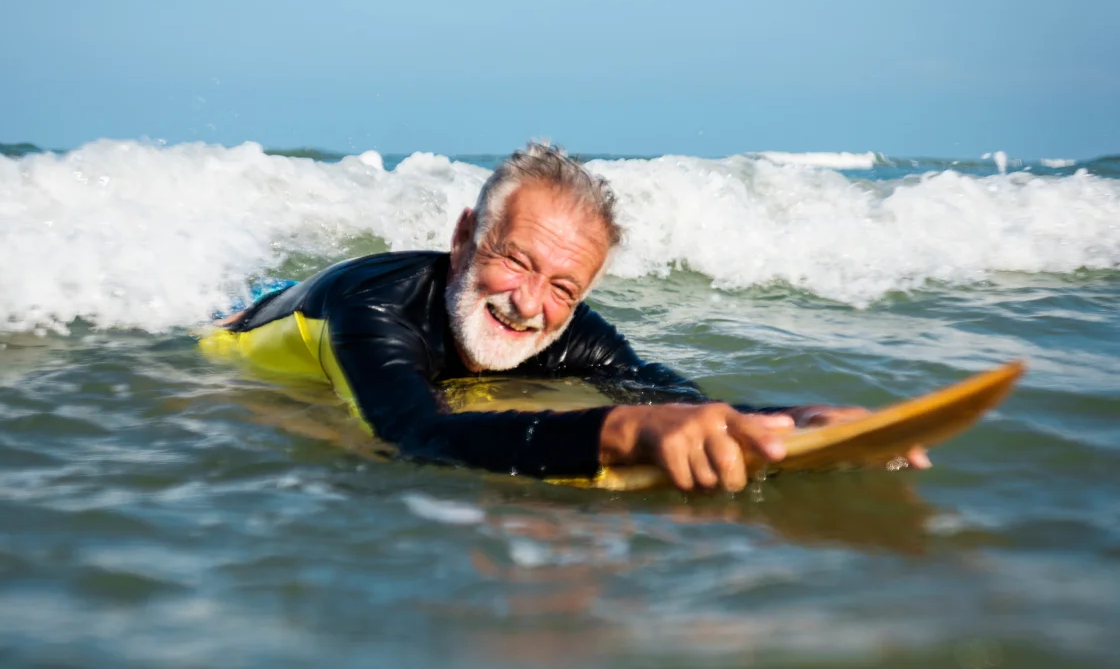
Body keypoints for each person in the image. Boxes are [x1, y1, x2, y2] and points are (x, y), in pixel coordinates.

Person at [207, 142, 930, 492]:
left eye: (562, 286)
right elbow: (412, 436)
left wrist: (792, 421)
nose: (530, 306)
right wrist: (614, 433)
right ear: (463, 240)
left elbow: (664, 396)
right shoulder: (370, 308)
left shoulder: (566, 326)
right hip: (242, 331)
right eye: (516, 262)